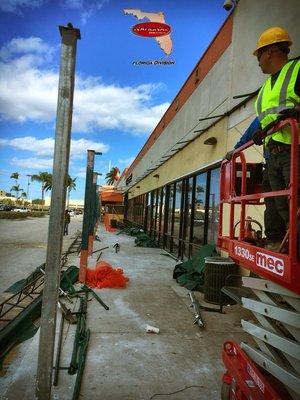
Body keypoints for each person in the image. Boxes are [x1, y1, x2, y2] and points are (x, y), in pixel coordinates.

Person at [226, 27, 300, 250]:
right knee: (277, 203)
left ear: (269, 51)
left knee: (294, 201)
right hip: (273, 154)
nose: (257, 61)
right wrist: (236, 149)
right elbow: (259, 122)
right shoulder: (265, 87)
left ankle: (295, 249)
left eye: (259, 54)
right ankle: (283, 246)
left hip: (294, 149)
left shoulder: (297, 69)